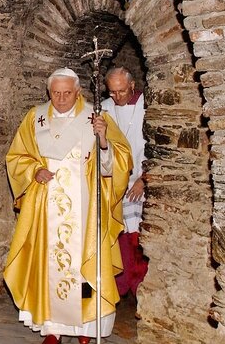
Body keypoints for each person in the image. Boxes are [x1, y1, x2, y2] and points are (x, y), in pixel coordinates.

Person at [4, 67, 132, 344]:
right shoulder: (34, 118)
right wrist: (34, 171)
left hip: (84, 206)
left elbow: (121, 162)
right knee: (50, 266)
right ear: (48, 92)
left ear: (77, 92)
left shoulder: (97, 117)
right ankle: (53, 329)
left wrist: (104, 140)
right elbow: (17, 156)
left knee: (83, 268)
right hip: (46, 205)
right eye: (55, 93)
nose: (61, 98)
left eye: (67, 93)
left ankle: (86, 329)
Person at [101, 66, 149, 299]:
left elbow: (155, 146)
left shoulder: (147, 106)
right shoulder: (105, 109)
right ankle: (120, 286)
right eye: (112, 92)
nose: (116, 97)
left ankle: (138, 284)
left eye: (121, 91)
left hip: (140, 179)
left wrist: (144, 178)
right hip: (114, 182)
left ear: (131, 85)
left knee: (136, 237)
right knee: (117, 236)